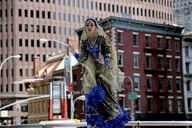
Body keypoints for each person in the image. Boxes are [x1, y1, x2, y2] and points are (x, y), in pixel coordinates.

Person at [69, 18, 131, 128]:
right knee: (93, 99)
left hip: (104, 73)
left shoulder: (102, 39)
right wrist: (74, 53)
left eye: (91, 24)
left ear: (95, 27)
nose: (89, 27)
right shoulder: (85, 42)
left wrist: (104, 61)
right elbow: (83, 59)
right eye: (87, 25)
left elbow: (109, 54)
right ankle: (95, 124)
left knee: (108, 101)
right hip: (93, 75)